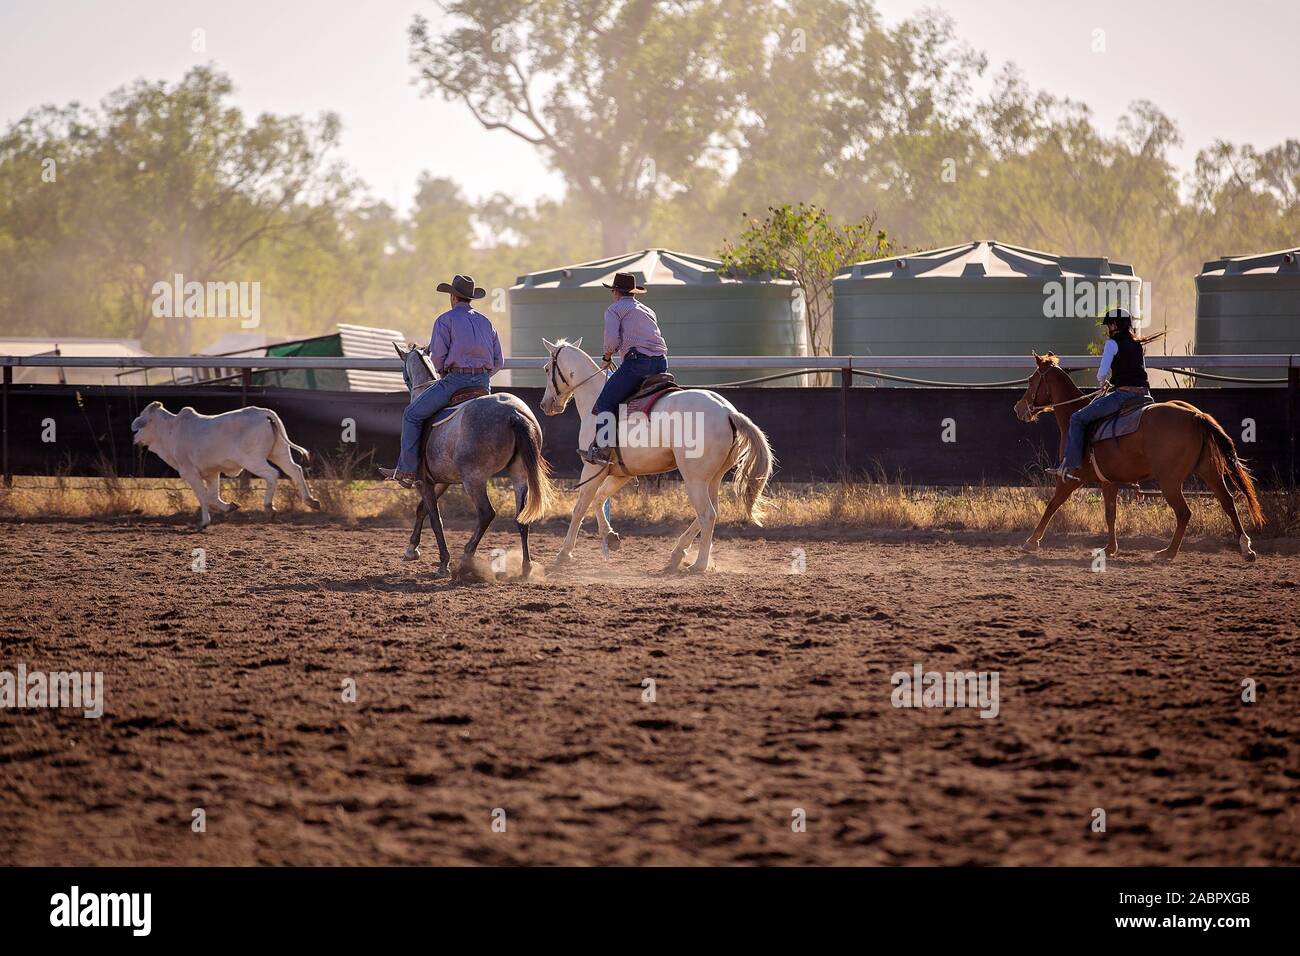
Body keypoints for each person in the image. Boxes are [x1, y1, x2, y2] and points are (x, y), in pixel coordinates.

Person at [380, 274, 503, 486]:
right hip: (483, 384)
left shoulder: (445, 320)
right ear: (470, 298)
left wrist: (445, 375)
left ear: (453, 296)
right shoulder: (486, 321)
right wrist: (481, 377)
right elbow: (499, 361)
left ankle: (407, 470)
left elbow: (436, 356)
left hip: (455, 380)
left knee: (411, 415)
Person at [1049, 307, 1152, 481]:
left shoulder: (1112, 344)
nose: (1107, 330)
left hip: (1123, 396)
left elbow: (1101, 373)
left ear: (1114, 325)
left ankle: (1070, 466)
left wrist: (1102, 384)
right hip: (1145, 397)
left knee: (1077, 419)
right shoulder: (1137, 344)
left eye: (1108, 326)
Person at [580, 271, 669, 465]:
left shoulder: (615, 309)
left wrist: (606, 356)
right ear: (633, 292)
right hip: (661, 362)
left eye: (613, 291)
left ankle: (603, 449)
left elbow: (612, 340)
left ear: (615, 292)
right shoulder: (647, 310)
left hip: (637, 363)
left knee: (605, 401)